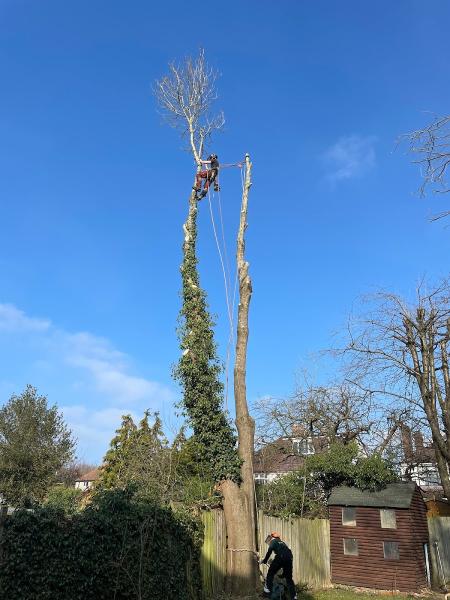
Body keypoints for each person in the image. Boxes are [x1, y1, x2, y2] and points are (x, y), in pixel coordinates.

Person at [260, 532, 297, 600]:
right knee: (289, 578)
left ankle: (267, 592)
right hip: (289, 557)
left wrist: (265, 561)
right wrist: (283, 574)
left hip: (281, 556)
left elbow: (269, 552)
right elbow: (285, 560)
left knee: (270, 573)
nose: (268, 543)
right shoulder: (282, 542)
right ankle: (294, 596)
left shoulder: (273, 541)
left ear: (272, 537)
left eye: (268, 541)